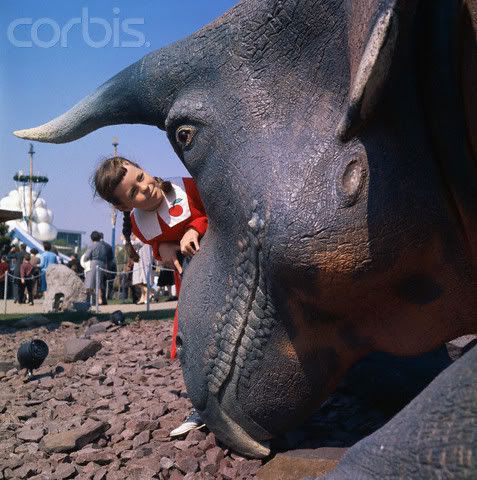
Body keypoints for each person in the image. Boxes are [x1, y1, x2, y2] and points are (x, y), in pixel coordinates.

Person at [93, 156, 208, 437]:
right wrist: (162, 250)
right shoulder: (139, 225)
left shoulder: (186, 187)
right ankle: (204, 405)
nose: (144, 188)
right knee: (192, 340)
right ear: (124, 206)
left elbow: (217, 210)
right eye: (133, 192)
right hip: (191, 285)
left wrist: (195, 228)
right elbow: (156, 243)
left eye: (141, 177)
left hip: (222, 267)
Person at [83, 231, 111, 305]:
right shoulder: (103, 246)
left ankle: (88, 300)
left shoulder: (92, 245)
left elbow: (87, 256)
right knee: (99, 283)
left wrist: (85, 260)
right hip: (102, 264)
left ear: (92, 238)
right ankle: (100, 299)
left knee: (90, 282)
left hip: (93, 264)